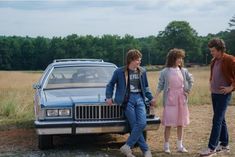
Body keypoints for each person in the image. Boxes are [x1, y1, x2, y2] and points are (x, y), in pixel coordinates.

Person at [106, 49, 155, 157]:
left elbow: (146, 87)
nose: (139, 62)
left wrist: (150, 98)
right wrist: (108, 97)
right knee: (134, 125)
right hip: (127, 100)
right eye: (138, 60)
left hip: (140, 99)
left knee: (141, 123)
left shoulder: (142, 71)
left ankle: (127, 146)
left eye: (140, 60)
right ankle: (146, 151)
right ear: (131, 60)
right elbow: (110, 84)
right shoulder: (119, 72)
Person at [152, 48, 193, 154]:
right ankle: (166, 146)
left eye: (181, 58)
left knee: (181, 123)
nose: (180, 60)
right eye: (178, 58)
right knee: (168, 123)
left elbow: (190, 80)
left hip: (181, 99)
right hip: (170, 98)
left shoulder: (183, 71)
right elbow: (160, 85)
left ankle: (180, 145)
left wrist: (187, 90)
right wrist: (155, 97)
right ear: (172, 59)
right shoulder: (165, 72)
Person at [200, 38, 235, 156]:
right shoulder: (214, 61)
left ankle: (211, 148)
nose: (211, 53)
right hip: (214, 94)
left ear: (220, 50)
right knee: (221, 119)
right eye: (211, 51)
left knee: (217, 120)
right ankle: (224, 144)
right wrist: (211, 83)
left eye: (213, 51)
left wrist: (231, 88)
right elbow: (213, 74)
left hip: (224, 95)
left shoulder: (230, 59)